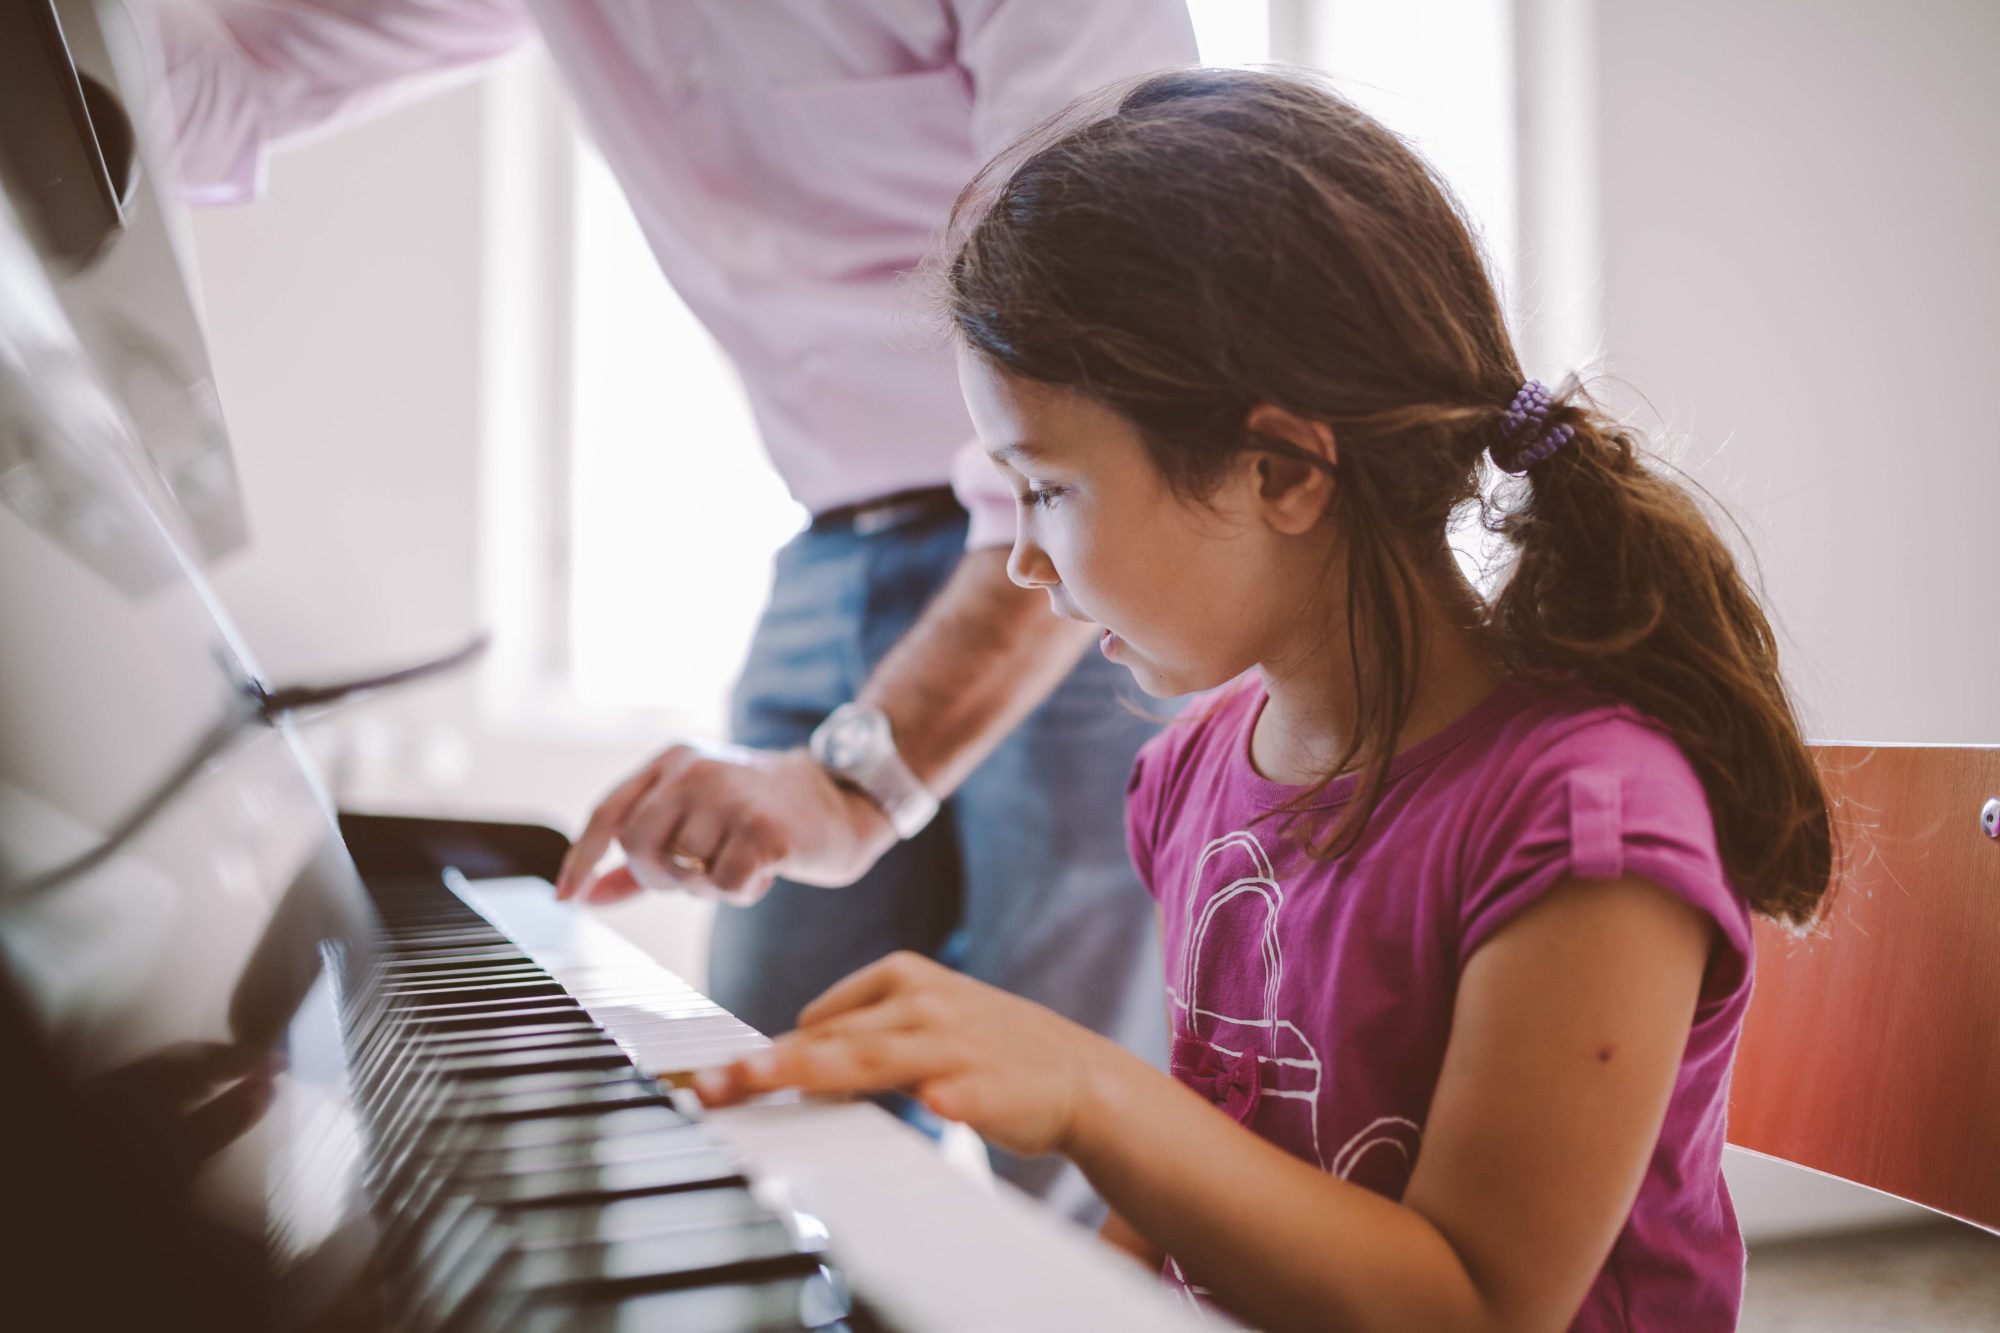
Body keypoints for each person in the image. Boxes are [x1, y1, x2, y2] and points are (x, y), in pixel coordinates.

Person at [693, 67, 1834, 1331]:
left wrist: (1082, 1087)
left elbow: (1477, 1307)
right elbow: (1200, 1198)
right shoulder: (1192, 775)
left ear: (1280, 469)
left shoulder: (1584, 825)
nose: (1020, 559)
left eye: (1049, 489)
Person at [157, 1, 1197, 1217]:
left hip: (1067, 556)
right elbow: (208, 89)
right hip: (828, 544)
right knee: (776, 1133)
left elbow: (1118, 330)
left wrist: (852, 782)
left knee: (1087, 1172)